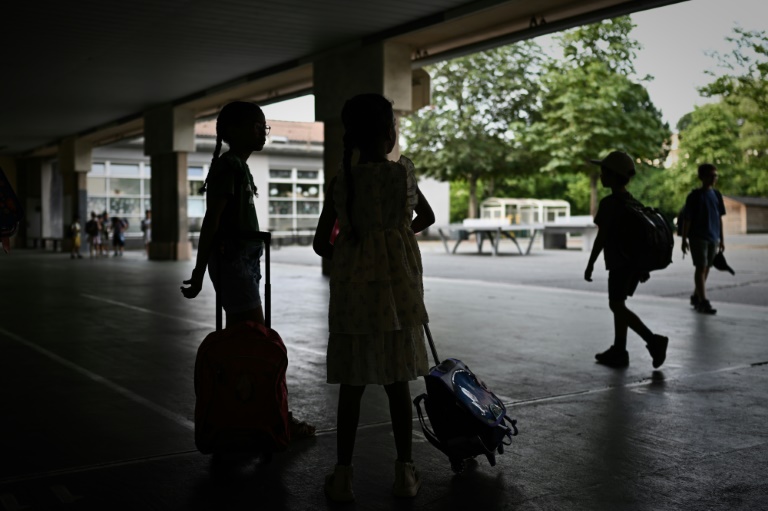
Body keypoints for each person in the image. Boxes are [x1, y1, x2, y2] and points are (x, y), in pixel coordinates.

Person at [313, 93, 435, 502]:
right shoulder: (402, 176)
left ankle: (343, 477)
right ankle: (405, 473)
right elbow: (427, 217)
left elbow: (320, 243)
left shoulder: (343, 181)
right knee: (397, 383)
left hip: (354, 298)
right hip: (398, 295)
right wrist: (397, 237)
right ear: (389, 134)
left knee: (352, 385)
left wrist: (353, 253)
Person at [179, 101, 315, 439]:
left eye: (263, 126)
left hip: (244, 263)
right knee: (259, 341)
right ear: (233, 131)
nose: (262, 132)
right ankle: (273, 418)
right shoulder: (229, 167)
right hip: (234, 264)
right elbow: (212, 222)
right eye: (256, 126)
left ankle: (242, 416)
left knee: (242, 344)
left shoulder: (239, 167)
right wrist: (199, 271)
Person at [584, 151, 668, 369]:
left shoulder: (609, 204)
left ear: (613, 176)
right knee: (619, 303)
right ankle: (619, 350)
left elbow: (601, 237)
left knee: (616, 305)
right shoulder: (633, 202)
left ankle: (653, 341)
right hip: (631, 264)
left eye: (604, 172)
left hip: (619, 264)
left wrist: (590, 264)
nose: (601, 176)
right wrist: (642, 267)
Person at [681, 163, 726, 315]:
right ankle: (703, 301)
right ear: (702, 177)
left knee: (706, 267)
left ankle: (696, 296)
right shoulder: (694, 196)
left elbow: (719, 218)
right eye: (711, 175)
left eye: (715, 175)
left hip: (713, 237)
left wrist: (722, 239)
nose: (714, 178)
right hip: (698, 237)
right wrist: (684, 240)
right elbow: (687, 219)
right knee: (701, 267)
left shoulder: (717, 195)